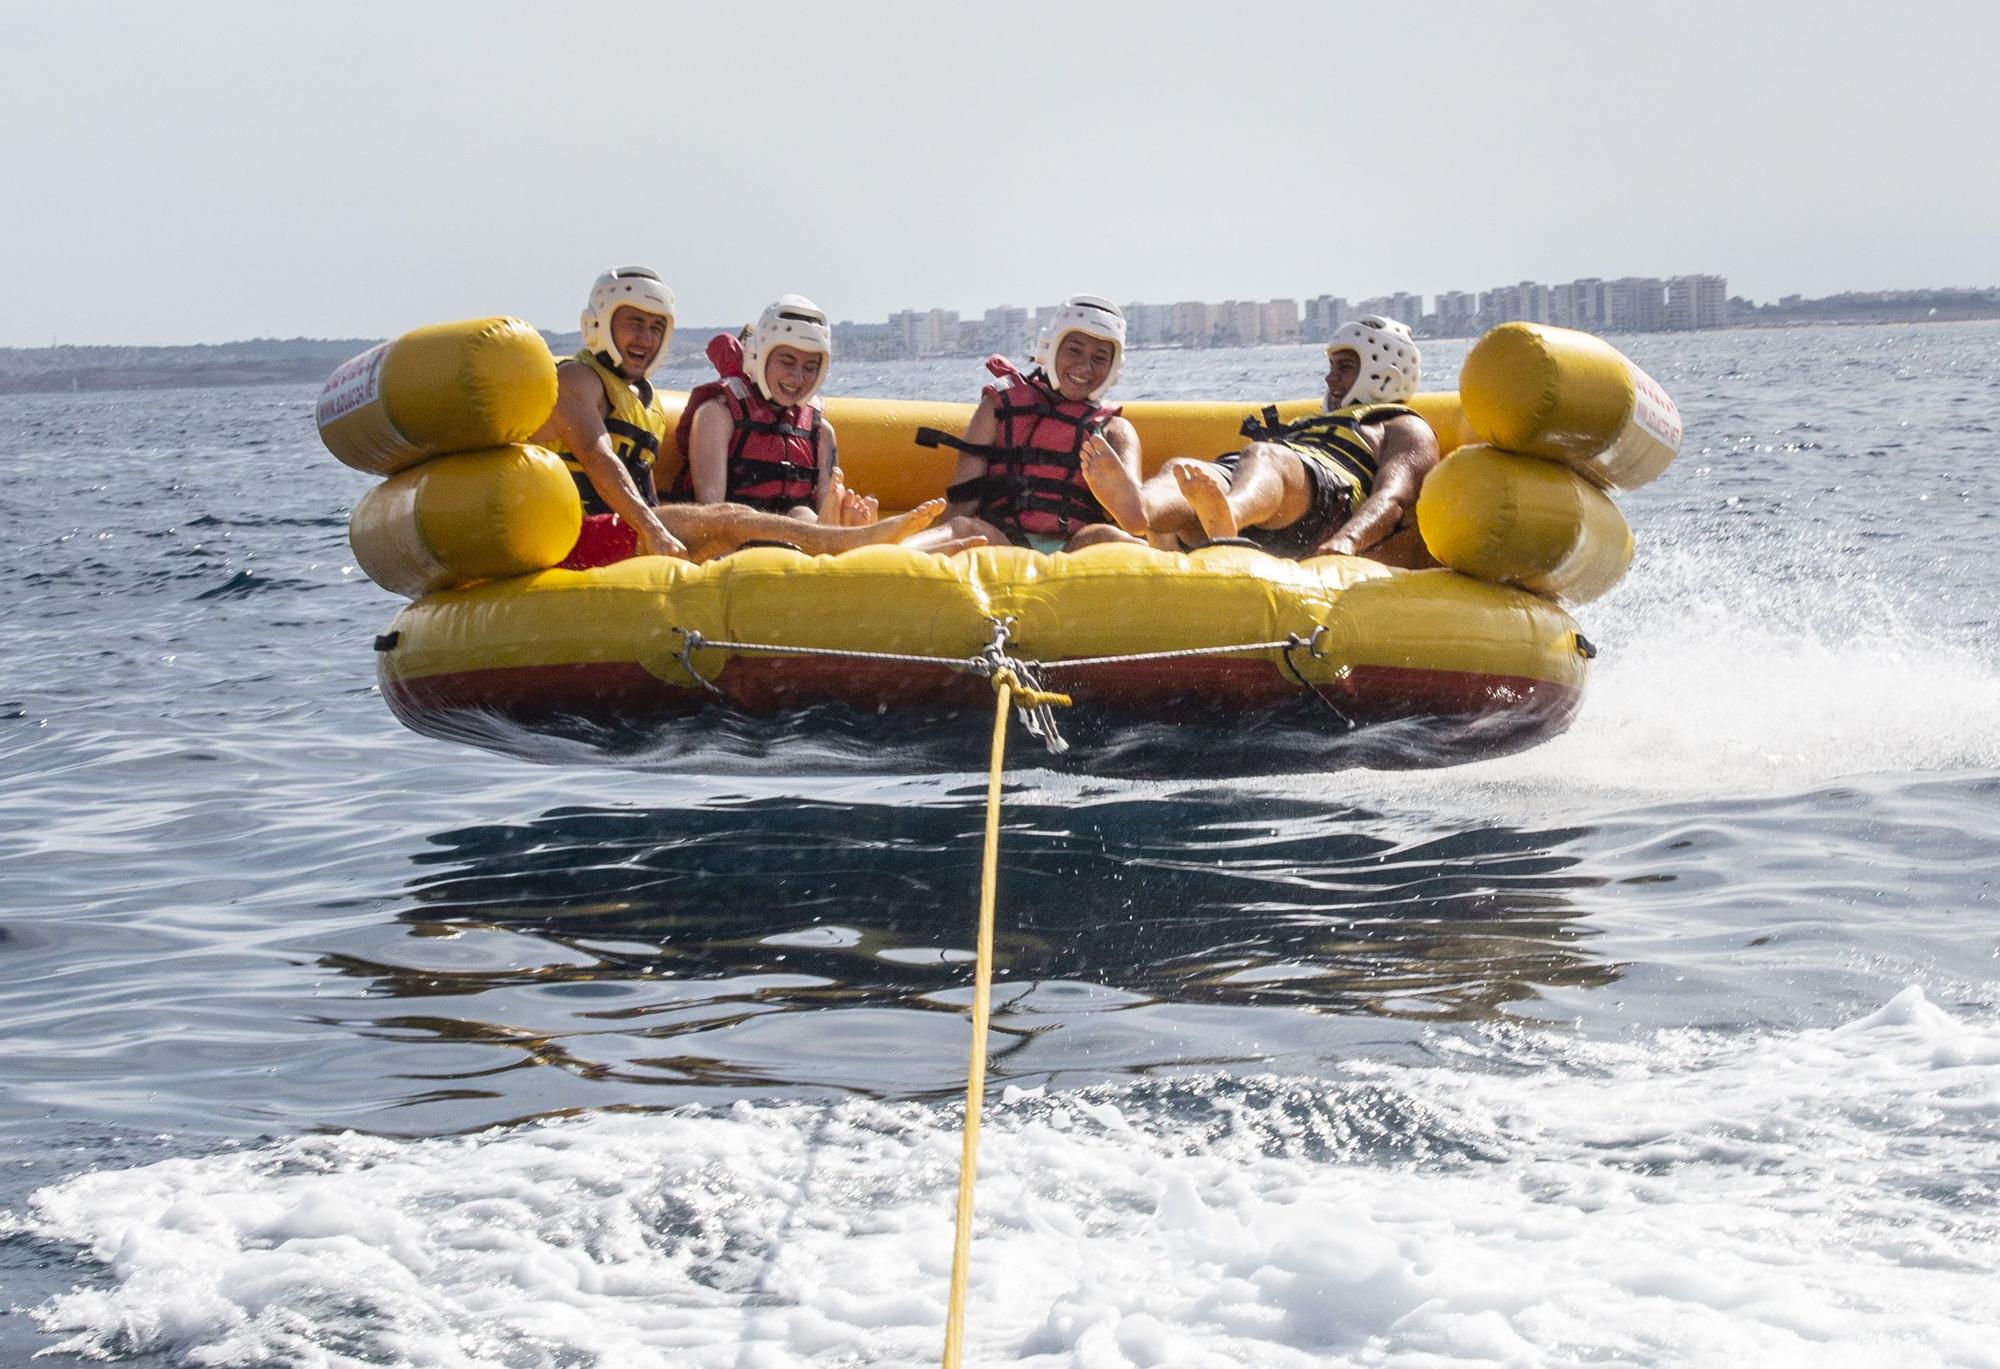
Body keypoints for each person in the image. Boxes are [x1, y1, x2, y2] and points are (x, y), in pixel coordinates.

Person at [531, 267, 947, 566]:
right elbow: (598, 456)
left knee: (764, 521)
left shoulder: (643, 398)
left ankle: (862, 546)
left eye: (657, 328)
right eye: (634, 323)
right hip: (576, 539)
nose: (646, 338)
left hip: (625, 532)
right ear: (601, 323)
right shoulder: (576, 378)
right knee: (728, 519)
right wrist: (654, 530)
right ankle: (844, 543)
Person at [1084, 315, 1440, 565]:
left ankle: (1227, 518)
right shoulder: (1309, 424)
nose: (1331, 380)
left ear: (1385, 373)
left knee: (1267, 454)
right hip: (1265, 503)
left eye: (1344, 368)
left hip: (1323, 505)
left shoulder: (1402, 425)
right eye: (1332, 368)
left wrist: (1346, 542)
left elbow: (1393, 498)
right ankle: (1142, 509)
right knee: (1181, 469)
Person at [921, 294, 1143, 553]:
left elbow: (1136, 518)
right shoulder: (998, 406)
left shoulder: (1114, 429)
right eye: (1074, 350)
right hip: (1002, 541)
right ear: (1050, 347)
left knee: (1106, 534)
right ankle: (892, 554)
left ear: (1114, 368)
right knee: (963, 526)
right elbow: (964, 503)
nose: (1085, 366)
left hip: (1076, 547)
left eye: (1101, 357)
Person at [675, 296, 867, 524]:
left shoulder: (822, 433)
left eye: (810, 367)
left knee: (803, 514)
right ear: (759, 356)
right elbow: (712, 514)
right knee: (800, 516)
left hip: (801, 544)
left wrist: (844, 518)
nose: (797, 378)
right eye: (787, 362)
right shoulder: (716, 415)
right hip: (734, 540)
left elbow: (826, 518)